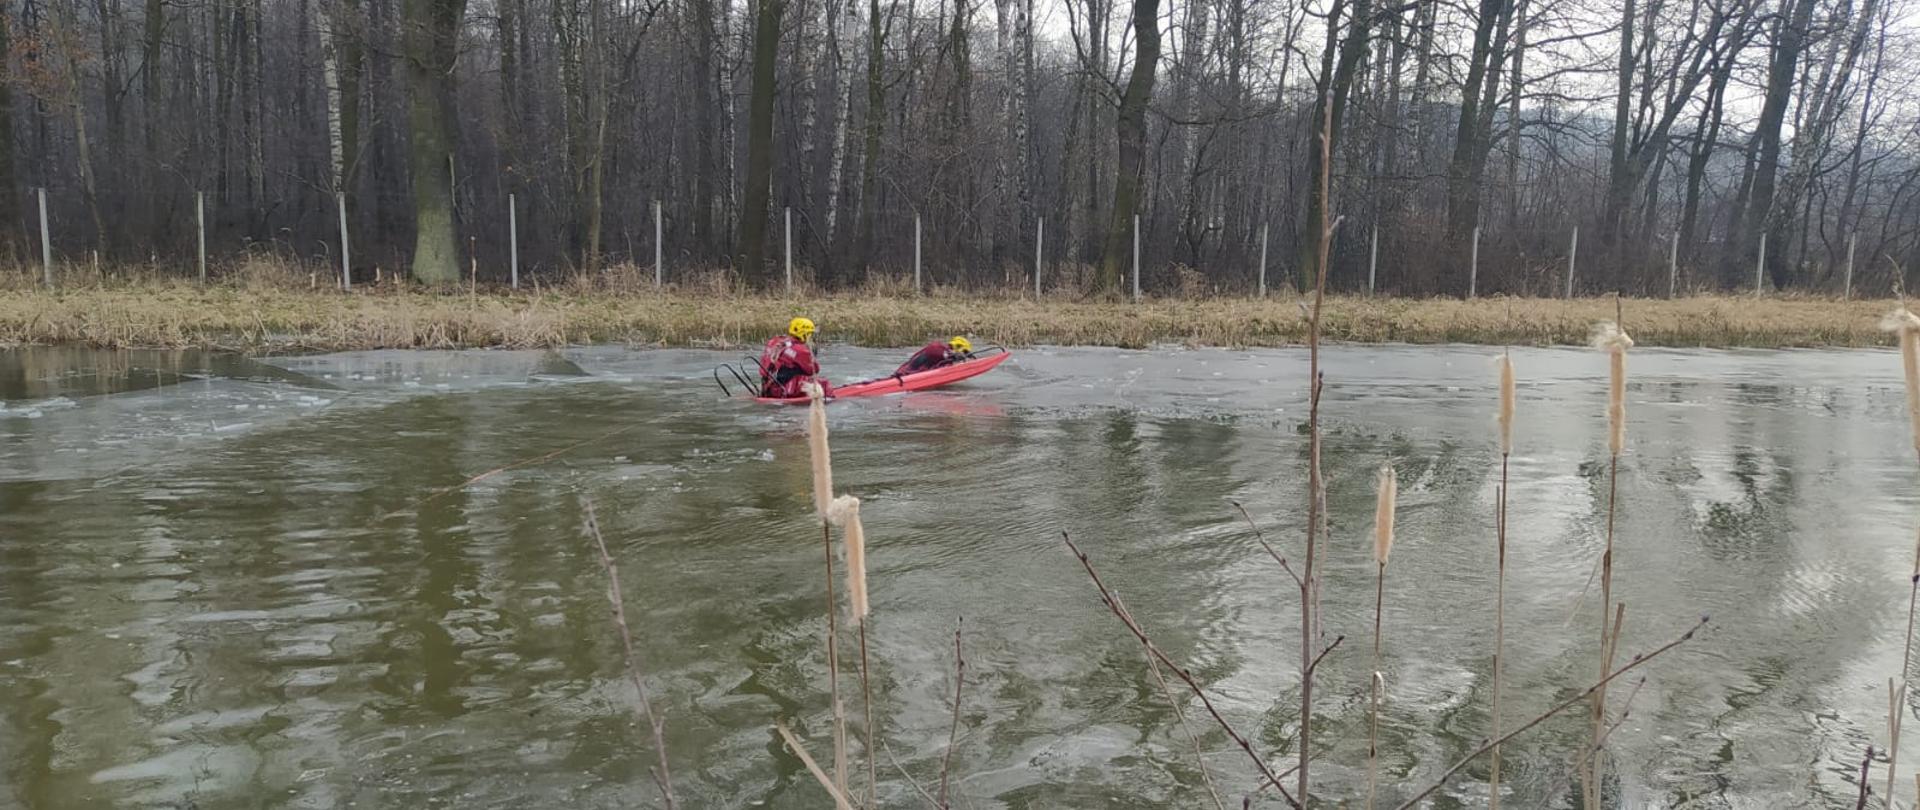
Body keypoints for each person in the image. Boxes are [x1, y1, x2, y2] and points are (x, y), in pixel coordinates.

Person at [759, 317, 823, 398]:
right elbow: (814, 370)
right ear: (804, 334)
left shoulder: (773, 341)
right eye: (810, 334)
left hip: (766, 388)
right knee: (824, 383)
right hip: (785, 391)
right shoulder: (801, 350)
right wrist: (811, 354)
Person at [894, 336, 974, 376]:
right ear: (958, 347)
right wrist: (953, 356)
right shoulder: (938, 348)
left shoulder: (947, 358)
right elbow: (936, 352)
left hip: (910, 374)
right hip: (906, 375)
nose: (964, 354)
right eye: (965, 351)